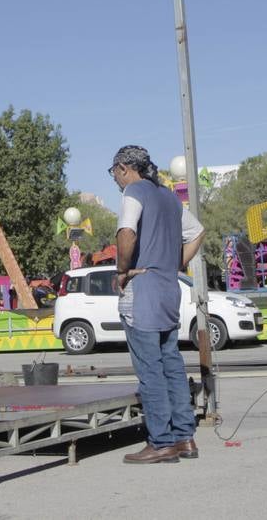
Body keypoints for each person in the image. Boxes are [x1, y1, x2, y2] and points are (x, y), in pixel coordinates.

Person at [110, 145, 206, 464]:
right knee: (172, 364)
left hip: (144, 289)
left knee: (149, 369)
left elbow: (126, 232)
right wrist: (174, 265)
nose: (115, 180)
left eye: (114, 173)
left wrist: (122, 271)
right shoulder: (168, 197)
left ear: (124, 168)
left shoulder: (134, 191)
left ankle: (161, 442)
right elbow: (197, 232)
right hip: (168, 289)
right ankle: (184, 438)